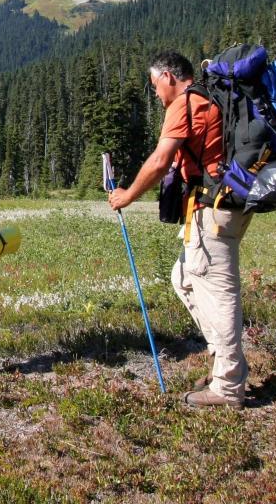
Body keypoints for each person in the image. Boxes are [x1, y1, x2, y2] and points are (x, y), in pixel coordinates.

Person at [107, 51, 253, 408]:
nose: (155, 93)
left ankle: (228, 385)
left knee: (217, 289)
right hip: (216, 205)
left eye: (155, 84)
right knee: (184, 277)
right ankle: (222, 359)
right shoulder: (206, 99)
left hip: (213, 208)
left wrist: (126, 196)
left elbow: (160, 161)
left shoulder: (185, 104)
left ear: (169, 77)